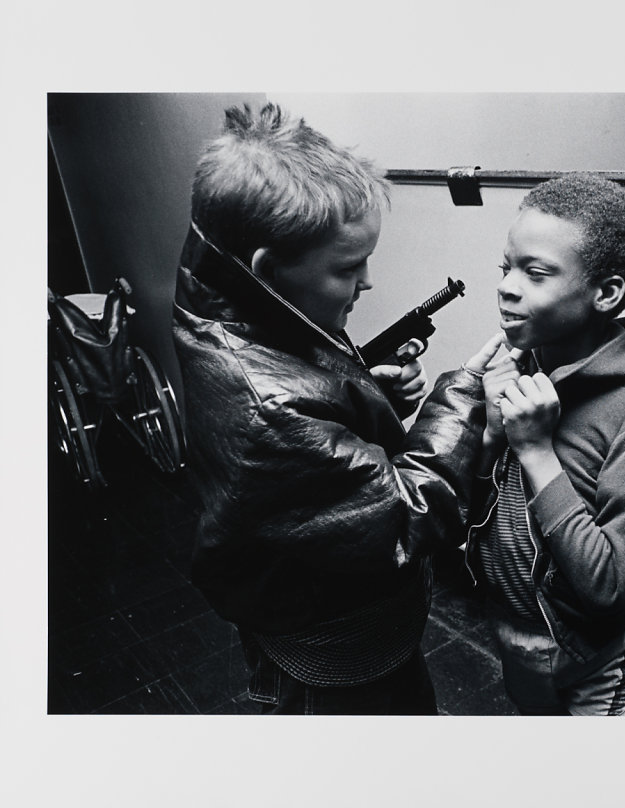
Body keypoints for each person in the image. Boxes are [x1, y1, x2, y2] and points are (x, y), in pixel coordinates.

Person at [171, 102, 501, 714]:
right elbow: (410, 513)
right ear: (268, 272)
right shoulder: (270, 409)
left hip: (307, 607)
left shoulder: (231, 298)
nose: (369, 281)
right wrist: (462, 394)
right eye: (350, 266)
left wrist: (365, 397)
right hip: (337, 660)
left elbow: (309, 406)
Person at [469, 173, 625, 716]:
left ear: (605, 293)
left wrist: (536, 451)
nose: (507, 286)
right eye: (506, 267)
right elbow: (475, 522)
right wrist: (493, 435)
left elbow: (608, 586)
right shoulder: (523, 371)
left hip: (596, 666)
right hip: (520, 643)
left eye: (536, 273)